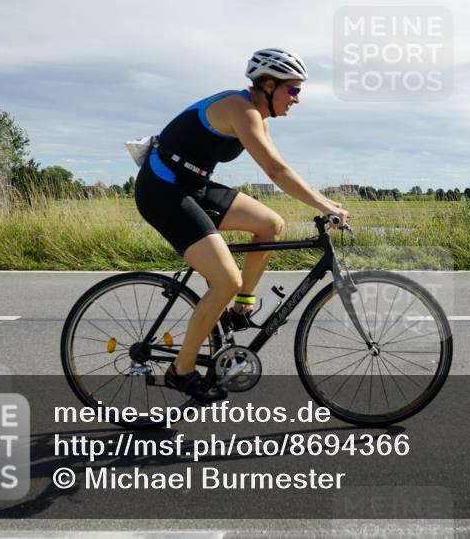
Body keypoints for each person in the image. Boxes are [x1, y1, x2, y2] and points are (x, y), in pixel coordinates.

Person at [134, 48, 349, 403]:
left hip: (194, 186)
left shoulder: (258, 116)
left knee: (270, 224)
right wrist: (324, 205)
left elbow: (280, 164)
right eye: (293, 90)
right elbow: (275, 172)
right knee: (226, 280)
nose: (297, 99)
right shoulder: (241, 110)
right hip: (163, 190)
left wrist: (324, 200)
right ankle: (182, 370)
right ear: (267, 85)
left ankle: (240, 308)